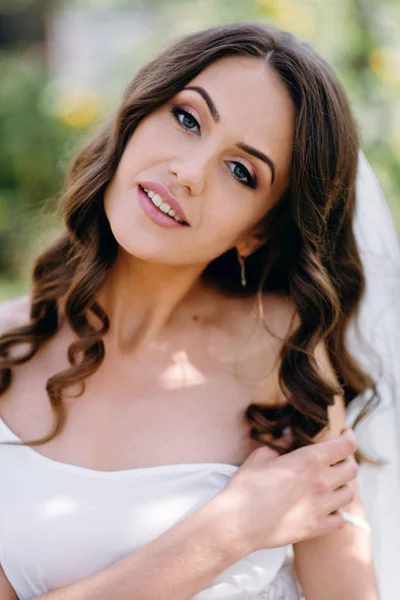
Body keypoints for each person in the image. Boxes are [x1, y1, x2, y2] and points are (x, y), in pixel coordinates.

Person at [0, 22, 383, 599]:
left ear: (257, 231)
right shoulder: (7, 351)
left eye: (241, 172)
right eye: (187, 119)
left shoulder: (286, 361)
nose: (188, 172)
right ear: (138, 117)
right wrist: (229, 531)